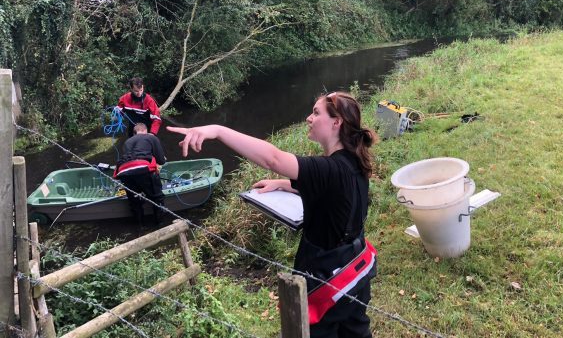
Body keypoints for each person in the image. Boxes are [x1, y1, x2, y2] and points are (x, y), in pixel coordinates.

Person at [168, 91, 377, 338]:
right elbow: (330, 190)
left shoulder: (329, 168)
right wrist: (282, 183)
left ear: (336, 122)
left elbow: (273, 158)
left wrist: (218, 130)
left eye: (316, 112)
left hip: (326, 278)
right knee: (356, 331)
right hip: (354, 269)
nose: (309, 118)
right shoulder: (352, 162)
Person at [114, 122, 167, 226]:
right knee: (157, 197)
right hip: (142, 168)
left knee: (134, 201)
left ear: (135, 133)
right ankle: (159, 225)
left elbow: (129, 158)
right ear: (145, 130)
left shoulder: (127, 141)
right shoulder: (151, 137)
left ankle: (140, 227)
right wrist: (161, 159)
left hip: (124, 171)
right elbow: (161, 161)